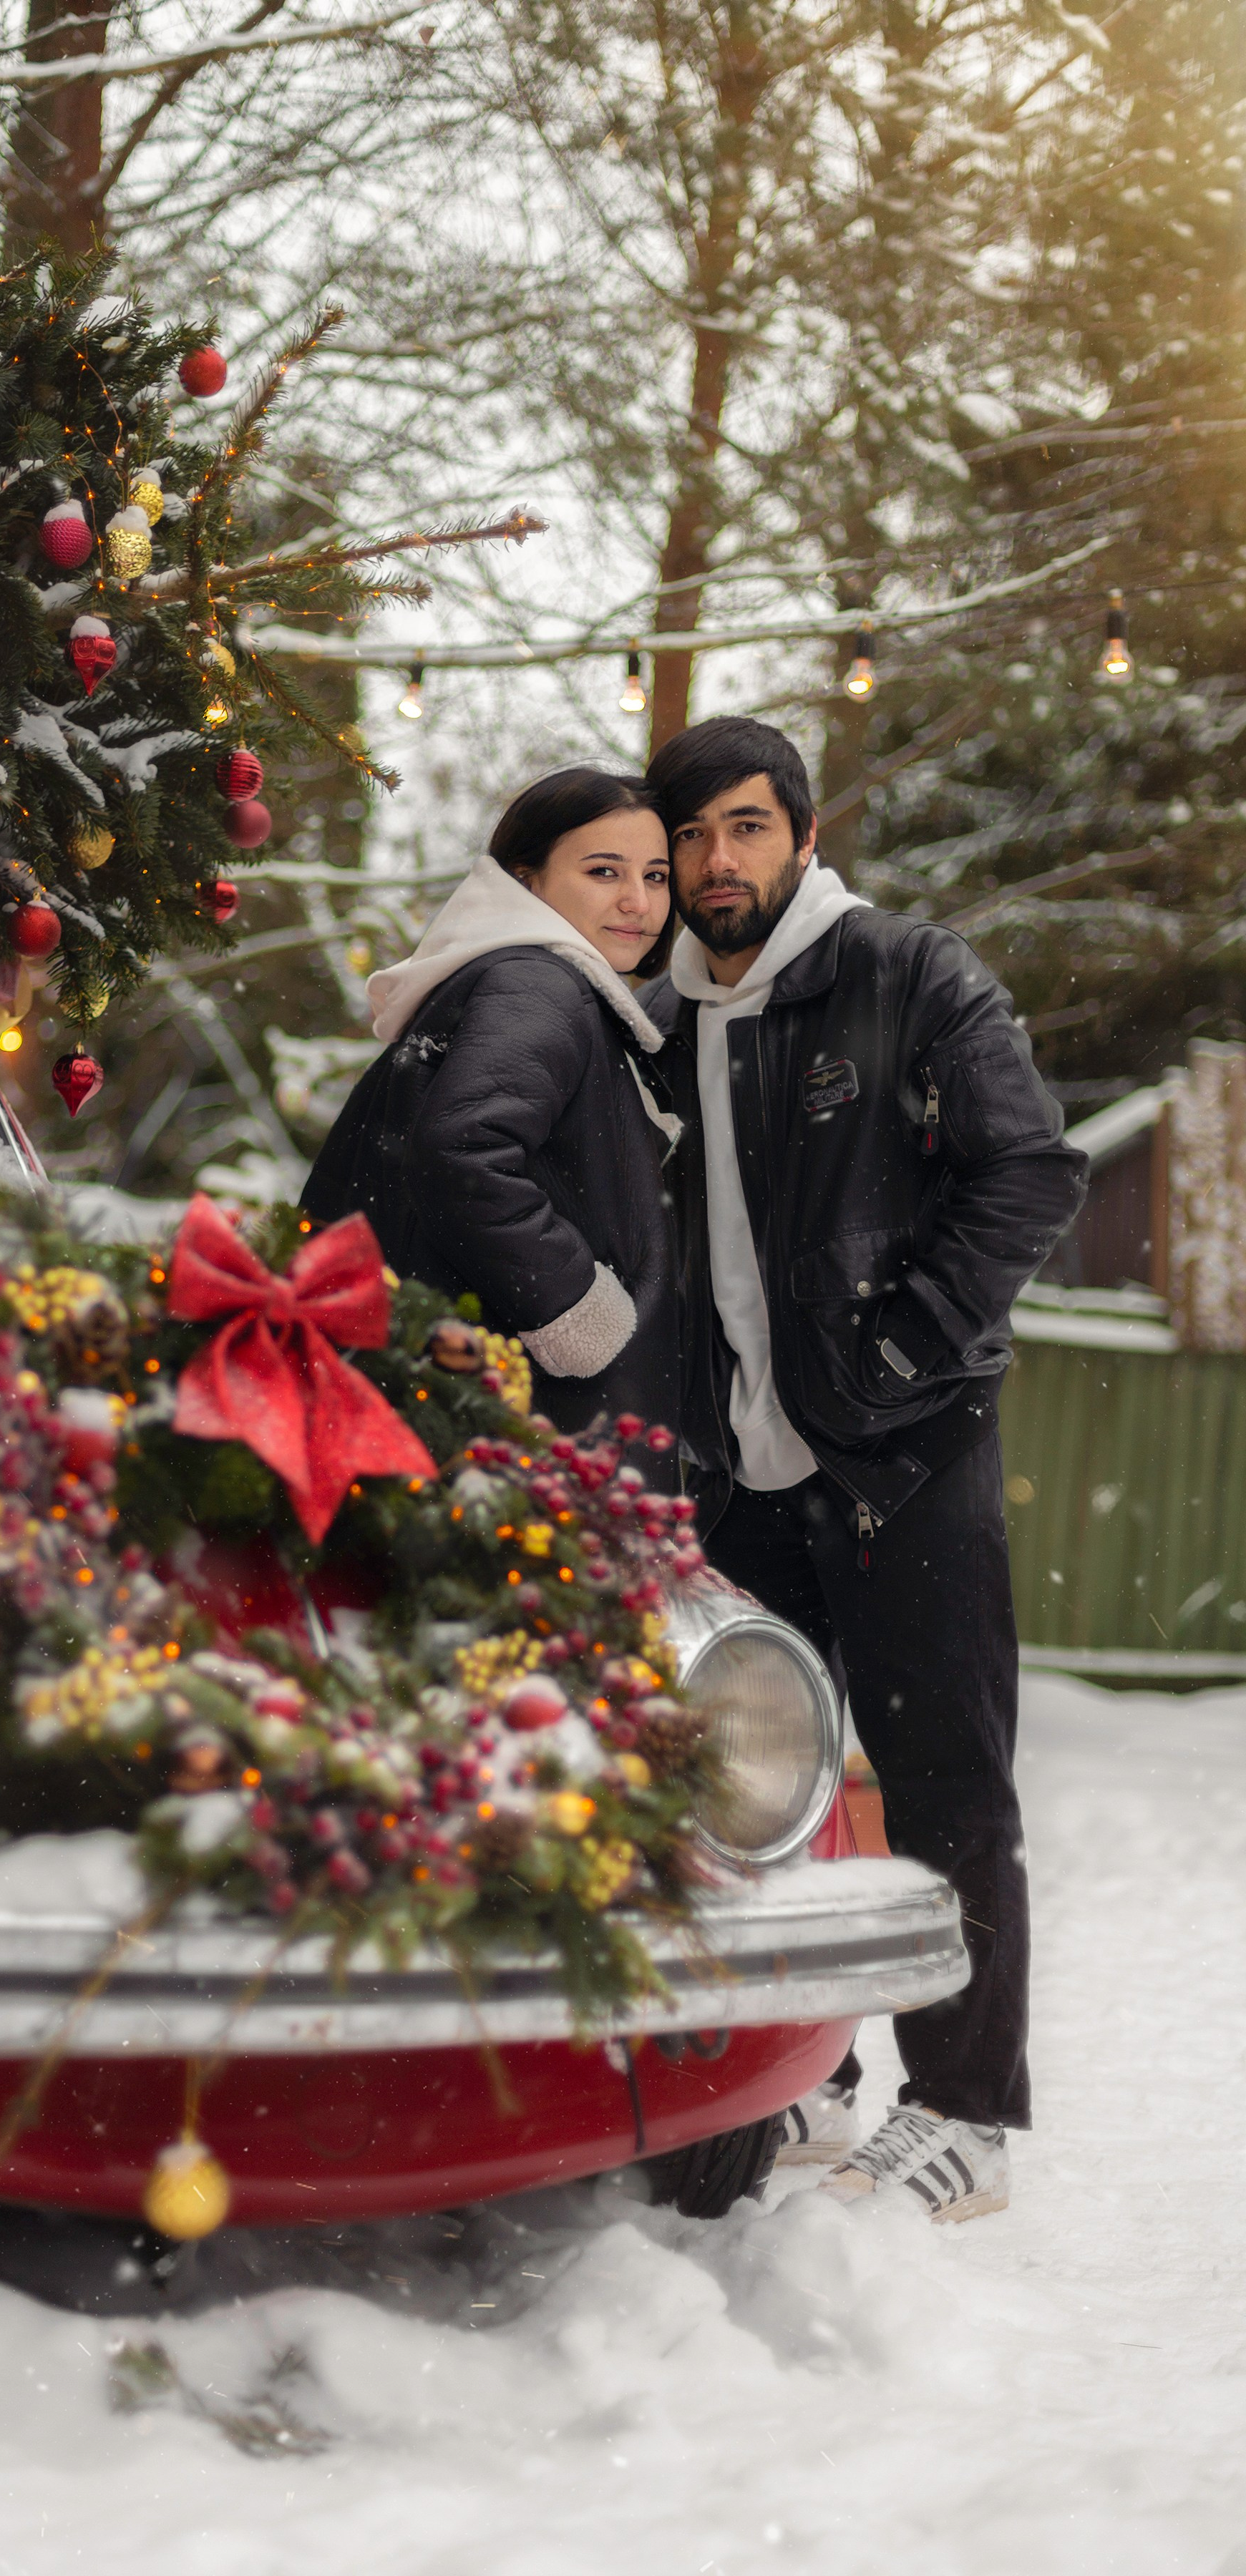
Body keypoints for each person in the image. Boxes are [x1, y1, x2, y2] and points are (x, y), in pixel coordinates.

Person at [640, 713, 1086, 2222]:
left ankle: (967, 2114)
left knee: (948, 1780)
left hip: (906, 1455)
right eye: (694, 835)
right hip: (742, 1472)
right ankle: (808, 2079)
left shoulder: (902, 975)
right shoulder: (655, 1017)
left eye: (749, 828)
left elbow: (1029, 1169)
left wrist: (904, 1355)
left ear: (805, 838)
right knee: (767, 1785)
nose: (718, 862)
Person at [303, 767, 683, 1435]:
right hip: (503, 1405)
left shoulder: (511, 977)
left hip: (438, 1385)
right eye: (604, 872)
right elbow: (464, 1149)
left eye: (655, 877)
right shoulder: (540, 983)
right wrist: (578, 1309)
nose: (638, 902)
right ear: (525, 879)